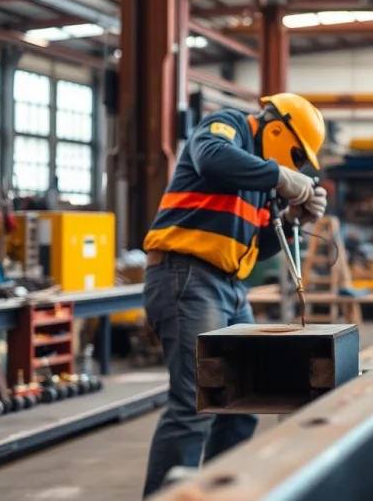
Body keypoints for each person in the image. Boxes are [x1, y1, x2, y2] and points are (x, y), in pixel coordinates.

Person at [140, 93, 328, 497]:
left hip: (230, 286)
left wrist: (293, 217)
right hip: (186, 277)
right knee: (196, 406)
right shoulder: (230, 126)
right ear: (278, 129)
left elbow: (257, 248)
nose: (295, 165)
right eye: (296, 155)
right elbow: (209, 155)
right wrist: (279, 175)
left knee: (242, 402)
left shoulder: (258, 185)